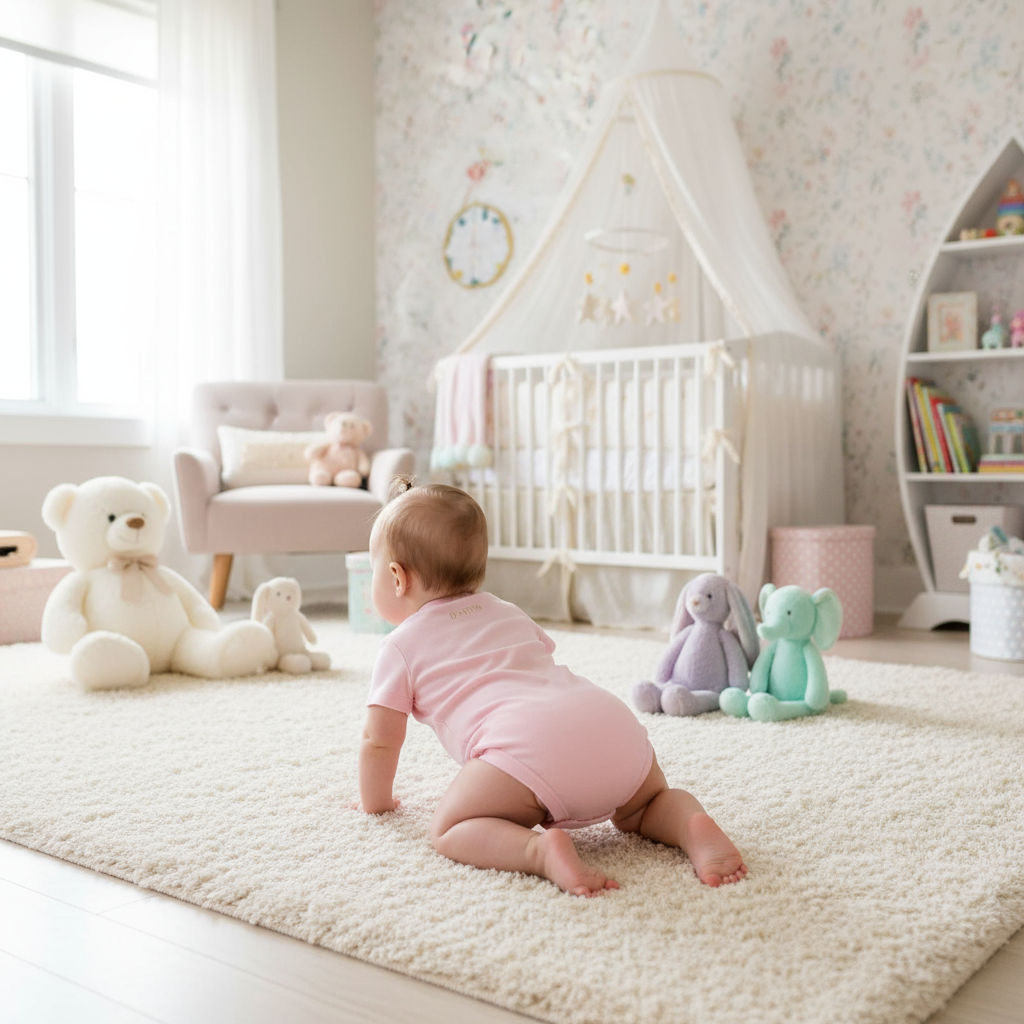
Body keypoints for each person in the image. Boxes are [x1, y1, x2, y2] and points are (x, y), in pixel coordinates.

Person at [357, 479, 747, 897]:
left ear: (396, 578)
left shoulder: (399, 646)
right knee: (647, 806)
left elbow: (379, 741)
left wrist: (376, 804)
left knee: (451, 827)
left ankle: (537, 851)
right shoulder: (507, 611)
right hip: (611, 725)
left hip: (528, 750)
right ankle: (690, 824)